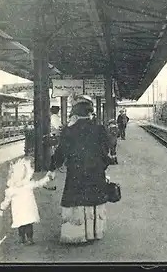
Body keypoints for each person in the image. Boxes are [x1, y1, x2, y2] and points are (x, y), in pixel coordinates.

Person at [48, 95, 113, 244]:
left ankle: (77, 234)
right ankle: (94, 233)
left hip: (76, 172)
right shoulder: (99, 129)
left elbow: (60, 153)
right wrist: (104, 168)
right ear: (90, 113)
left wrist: (52, 169)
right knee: (93, 199)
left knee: (76, 200)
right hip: (95, 172)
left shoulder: (68, 130)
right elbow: (106, 152)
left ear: (75, 115)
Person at [0, 158, 54, 245]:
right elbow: (39, 183)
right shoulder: (28, 185)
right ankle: (30, 238)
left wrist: (1, 209)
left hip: (18, 212)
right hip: (29, 210)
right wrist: (47, 178)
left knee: (21, 225)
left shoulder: (11, 189)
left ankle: (21, 238)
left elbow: (6, 201)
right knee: (28, 225)